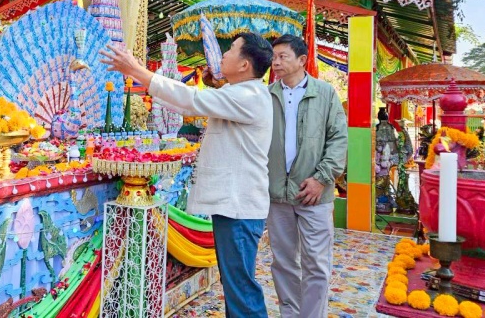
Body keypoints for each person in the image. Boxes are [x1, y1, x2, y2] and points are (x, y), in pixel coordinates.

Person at [101, 33, 273, 317]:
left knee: (241, 289)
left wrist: (137, 71)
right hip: (235, 206)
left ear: (245, 64)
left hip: (239, 207)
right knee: (237, 286)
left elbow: (191, 99)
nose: (223, 55)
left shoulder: (248, 95)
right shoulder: (240, 93)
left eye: (231, 49)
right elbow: (187, 103)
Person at [266, 34, 348, 318]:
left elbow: (338, 139)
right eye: (273, 57)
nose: (275, 62)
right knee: (283, 263)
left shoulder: (325, 93)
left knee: (316, 264)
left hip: (314, 193)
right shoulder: (267, 95)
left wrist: (322, 178)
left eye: (282, 56)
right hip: (277, 194)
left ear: (302, 60)